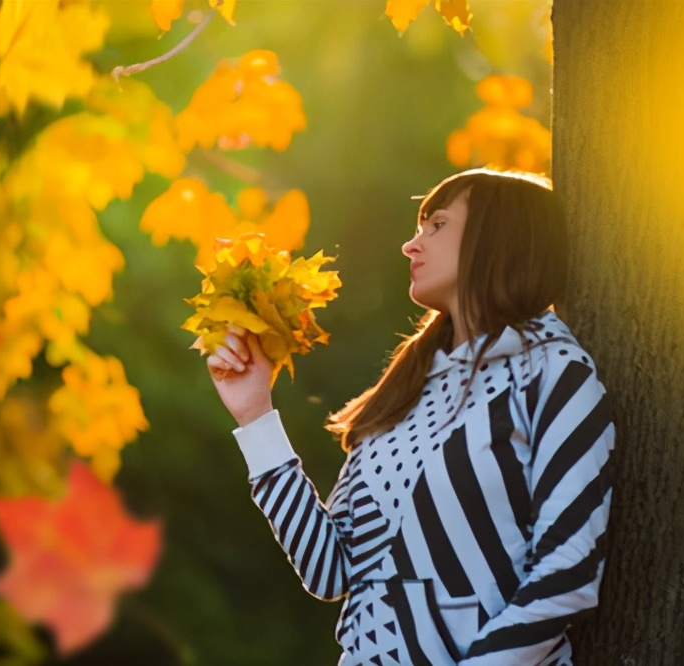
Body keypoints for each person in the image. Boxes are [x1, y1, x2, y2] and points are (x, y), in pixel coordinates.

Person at [204, 168, 615, 666]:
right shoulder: (407, 391)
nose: (410, 245)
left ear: (500, 237)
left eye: (436, 226)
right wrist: (254, 415)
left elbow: (567, 574)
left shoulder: (555, 374)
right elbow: (329, 568)